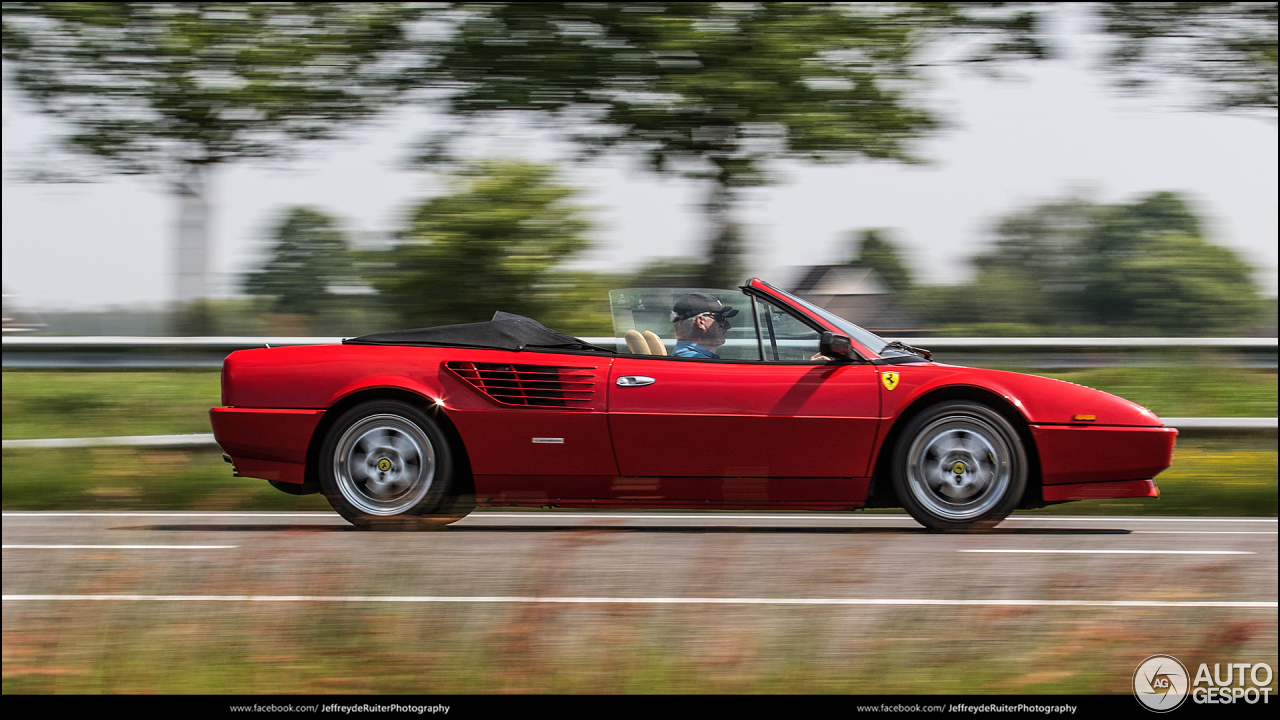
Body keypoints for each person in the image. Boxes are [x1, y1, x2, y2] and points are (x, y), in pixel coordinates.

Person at [669, 292, 738, 359]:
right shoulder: (696, 362)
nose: (728, 326)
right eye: (720, 318)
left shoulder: (686, 358)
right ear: (701, 322)